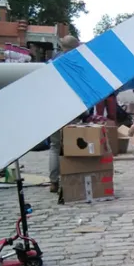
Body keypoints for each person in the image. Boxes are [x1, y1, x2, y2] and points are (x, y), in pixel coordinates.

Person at [48, 35, 80, 193]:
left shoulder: (52, 62)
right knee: (70, 145)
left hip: (53, 107)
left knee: (54, 146)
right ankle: (70, 177)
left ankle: (53, 182)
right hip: (71, 107)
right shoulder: (77, 62)